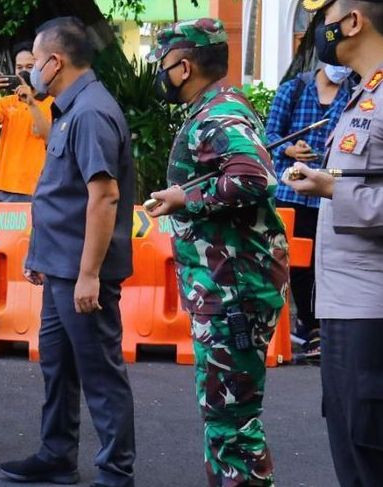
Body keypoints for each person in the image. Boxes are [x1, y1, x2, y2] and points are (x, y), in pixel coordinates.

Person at [145, 19, 290, 486]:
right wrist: (188, 193)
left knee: (232, 422)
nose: (160, 75)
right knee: (224, 416)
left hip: (235, 294)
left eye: (163, 66)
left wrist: (185, 198)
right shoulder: (218, 106)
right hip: (228, 287)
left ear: (184, 67)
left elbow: (254, 177)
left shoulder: (216, 115)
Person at [0, 18, 136, 487]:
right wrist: (40, 257)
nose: (30, 72)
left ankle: (116, 473)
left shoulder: (91, 112)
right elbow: (60, 195)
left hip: (81, 273)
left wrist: (90, 274)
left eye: (34, 63)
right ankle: (56, 455)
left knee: (99, 374)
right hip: (59, 268)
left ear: (54, 62)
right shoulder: (68, 109)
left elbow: (104, 197)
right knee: (58, 368)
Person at [285, 1, 383, 485]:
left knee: (369, 453)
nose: (318, 34)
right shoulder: (363, 93)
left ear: (353, 22)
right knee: (349, 445)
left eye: (324, 22)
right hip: (342, 304)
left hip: (371, 310)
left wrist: (333, 189)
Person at [265, 62, 353, 359]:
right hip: (291, 192)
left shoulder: (354, 94)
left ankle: (318, 328)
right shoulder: (294, 90)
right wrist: (289, 150)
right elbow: (268, 137)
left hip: (327, 192)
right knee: (294, 262)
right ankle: (306, 325)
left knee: (322, 260)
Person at [0, 41, 53, 203]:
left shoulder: (54, 102)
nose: (24, 72)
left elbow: (50, 137)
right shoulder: (7, 102)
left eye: (29, 67)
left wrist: (31, 102)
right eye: (19, 67)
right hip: (5, 188)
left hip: (39, 188)